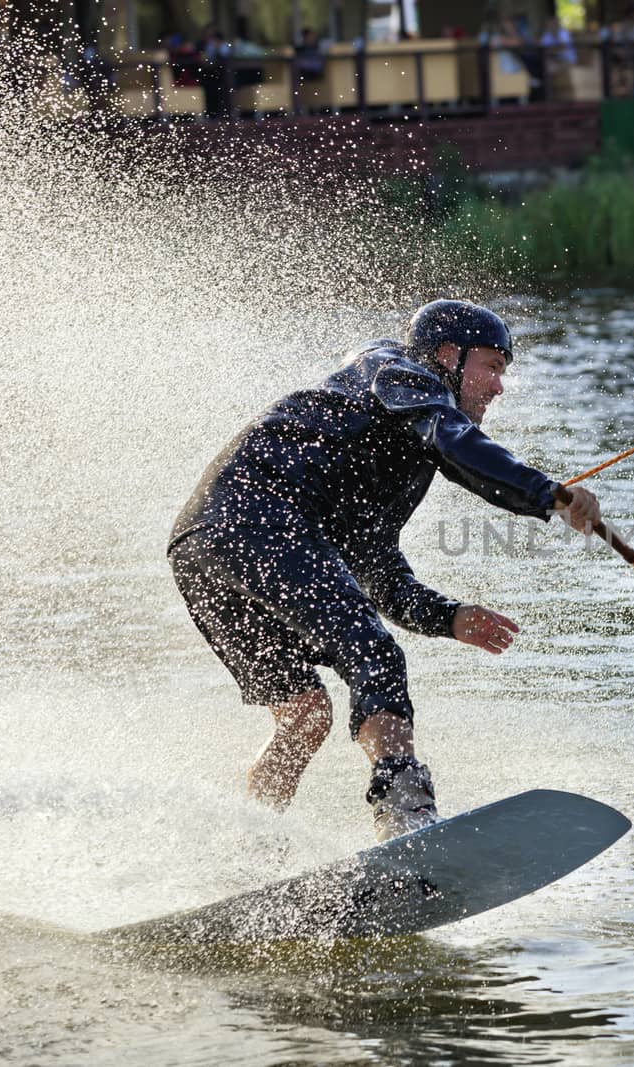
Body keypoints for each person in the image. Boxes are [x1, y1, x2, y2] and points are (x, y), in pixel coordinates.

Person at [168, 300, 602, 841]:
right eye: (490, 366)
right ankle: (404, 815)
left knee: (305, 716)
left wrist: (449, 617)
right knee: (373, 654)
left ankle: (244, 843)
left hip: (203, 547)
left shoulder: (385, 440)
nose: (498, 387)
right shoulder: (397, 371)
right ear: (447, 355)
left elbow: (380, 573)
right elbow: (458, 442)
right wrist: (549, 495)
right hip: (256, 519)